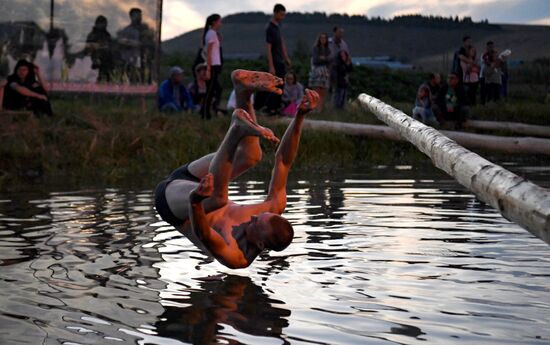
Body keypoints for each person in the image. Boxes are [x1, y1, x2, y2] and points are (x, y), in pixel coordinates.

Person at [154, 69, 319, 269]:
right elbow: (283, 161)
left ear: (260, 243)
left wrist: (196, 200)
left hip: (176, 205)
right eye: (260, 216)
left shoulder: (236, 256)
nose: (254, 215)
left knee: (218, 199)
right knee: (251, 156)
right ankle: (243, 92)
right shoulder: (273, 208)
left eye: (255, 222)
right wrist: (300, 116)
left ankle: (236, 131)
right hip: (194, 180)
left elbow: (203, 233)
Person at [262, 3, 292, 115]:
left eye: (284, 15)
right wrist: (271, 65)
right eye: (281, 14)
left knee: (281, 84)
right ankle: (269, 108)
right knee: (275, 85)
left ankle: (275, 108)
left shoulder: (278, 27)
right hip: (274, 60)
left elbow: (282, 43)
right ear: (275, 13)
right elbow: (268, 48)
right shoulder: (270, 28)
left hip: (280, 60)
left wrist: (286, 57)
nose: (282, 17)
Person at [116, 8, 155, 84]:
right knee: (133, 79)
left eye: (140, 15)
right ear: (131, 16)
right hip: (131, 59)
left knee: (145, 80)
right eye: (137, 15)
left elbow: (150, 41)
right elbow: (121, 41)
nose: (139, 17)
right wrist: (131, 43)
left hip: (145, 60)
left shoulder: (145, 29)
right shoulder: (127, 30)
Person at [201, 14, 224, 120]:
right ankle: (205, 114)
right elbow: (209, 52)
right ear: (214, 22)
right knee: (210, 91)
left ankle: (210, 110)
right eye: (219, 21)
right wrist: (209, 69)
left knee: (217, 89)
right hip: (212, 65)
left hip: (215, 65)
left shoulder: (213, 34)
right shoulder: (211, 34)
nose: (221, 23)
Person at [85, 15, 114, 82]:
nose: (103, 25)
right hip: (95, 62)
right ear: (97, 24)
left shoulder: (107, 35)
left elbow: (109, 46)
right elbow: (89, 46)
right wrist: (101, 46)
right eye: (101, 23)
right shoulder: (92, 35)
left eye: (104, 23)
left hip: (107, 62)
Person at [308, 33, 331, 112]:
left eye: (324, 38)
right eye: (321, 38)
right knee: (315, 92)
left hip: (325, 73)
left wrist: (323, 58)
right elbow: (315, 60)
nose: (323, 40)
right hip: (317, 72)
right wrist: (324, 59)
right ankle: (313, 109)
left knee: (323, 92)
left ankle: (319, 110)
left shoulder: (328, 49)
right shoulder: (316, 48)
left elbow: (330, 60)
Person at [328, 26, 350, 92]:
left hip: (339, 70)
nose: (340, 34)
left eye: (341, 33)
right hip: (329, 67)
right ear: (334, 33)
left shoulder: (344, 45)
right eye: (339, 32)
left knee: (338, 88)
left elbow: (347, 57)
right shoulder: (328, 43)